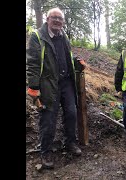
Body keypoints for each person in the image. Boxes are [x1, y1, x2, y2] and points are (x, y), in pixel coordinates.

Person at [26, 7, 86, 169]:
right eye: (54, 18)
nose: (58, 21)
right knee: (48, 119)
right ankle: (45, 152)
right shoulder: (38, 36)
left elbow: (66, 56)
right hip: (48, 84)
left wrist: (76, 62)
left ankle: (70, 142)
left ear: (63, 22)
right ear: (47, 19)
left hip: (66, 82)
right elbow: (32, 63)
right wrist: (33, 86)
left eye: (60, 19)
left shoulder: (63, 36)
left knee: (72, 113)